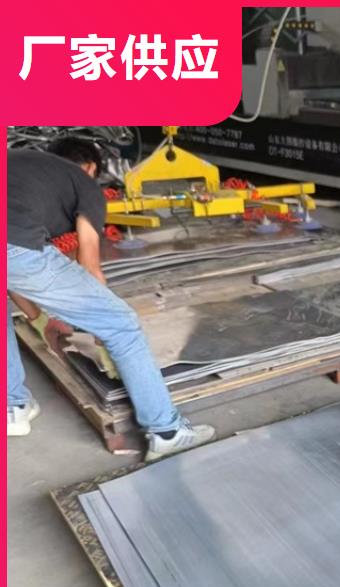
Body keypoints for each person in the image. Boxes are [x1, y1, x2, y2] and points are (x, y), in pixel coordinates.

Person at [6, 136, 215, 460]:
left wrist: (40, 319)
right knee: (122, 324)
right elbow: (89, 263)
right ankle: (167, 432)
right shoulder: (85, 185)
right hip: (13, 244)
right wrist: (101, 327)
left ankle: (12, 407)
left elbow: (10, 274)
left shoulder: (22, 167)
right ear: (91, 167)